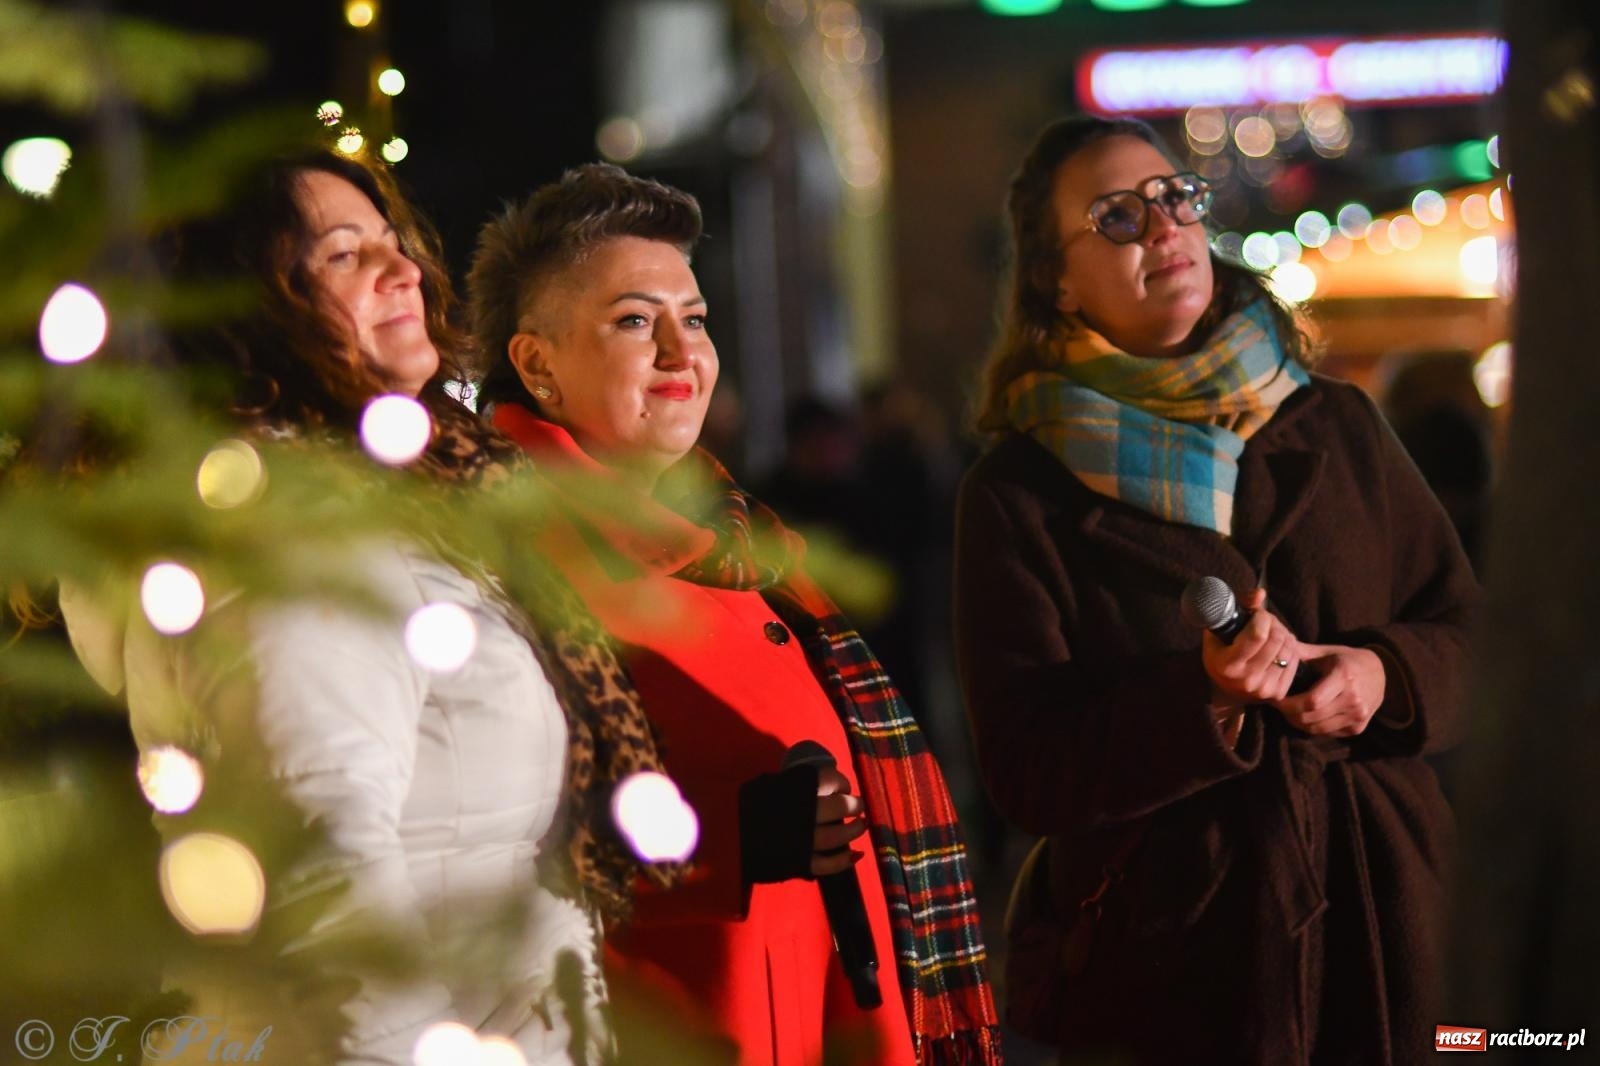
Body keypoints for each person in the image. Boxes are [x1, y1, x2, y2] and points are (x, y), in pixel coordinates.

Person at [58, 149, 672, 1065]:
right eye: (345, 257)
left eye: (394, 244)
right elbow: (321, 885)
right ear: (247, 312)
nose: (406, 270)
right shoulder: (290, 535)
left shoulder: (406, 504)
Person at [953, 116, 1479, 1065]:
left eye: (1173, 198)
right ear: (1055, 280)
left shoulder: (1337, 422)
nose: (1161, 228)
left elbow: (1471, 635)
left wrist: (1382, 677)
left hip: (1391, 928)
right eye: (1116, 216)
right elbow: (1025, 768)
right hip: (1176, 972)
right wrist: (1203, 702)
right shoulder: (1020, 491)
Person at [466, 163, 1001, 1066]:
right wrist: (731, 832)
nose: (683, 354)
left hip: (823, 1003)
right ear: (537, 363)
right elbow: (487, 824)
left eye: (696, 319)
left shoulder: (734, 537)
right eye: (635, 321)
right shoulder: (509, 555)